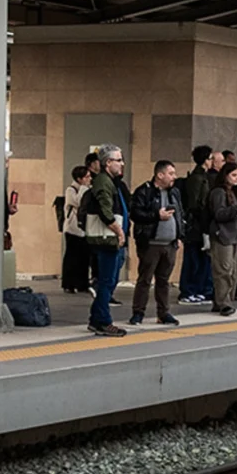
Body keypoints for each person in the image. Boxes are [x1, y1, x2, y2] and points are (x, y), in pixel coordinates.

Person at [78, 144, 129, 336]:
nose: (121, 163)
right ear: (108, 163)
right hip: (106, 239)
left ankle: (96, 319)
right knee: (107, 281)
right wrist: (119, 231)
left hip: (110, 239)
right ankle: (103, 321)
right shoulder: (103, 182)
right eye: (118, 160)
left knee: (110, 280)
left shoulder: (110, 182)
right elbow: (105, 210)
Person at [129, 157, 184, 327]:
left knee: (164, 280)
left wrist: (180, 235)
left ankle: (164, 312)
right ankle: (138, 312)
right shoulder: (144, 192)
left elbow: (181, 214)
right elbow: (136, 214)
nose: (174, 176)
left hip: (170, 243)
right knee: (145, 279)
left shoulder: (174, 192)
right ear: (160, 175)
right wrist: (156, 215)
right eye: (170, 173)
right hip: (151, 242)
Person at [196, 160, 237, 317]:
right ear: (225, 176)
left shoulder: (234, 193)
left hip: (234, 235)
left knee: (234, 271)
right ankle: (223, 302)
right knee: (223, 270)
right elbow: (220, 214)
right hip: (222, 235)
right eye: (234, 175)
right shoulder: (218, 192)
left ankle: (223, 300)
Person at [178, 145, 216, 307]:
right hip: (196, 224)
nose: (212, 161)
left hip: (202, 223)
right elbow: (195, 204)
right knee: (193, 259)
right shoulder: (197, 178)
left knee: (201, 260)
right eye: (210, 158)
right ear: (205, 160)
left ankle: (198, 289)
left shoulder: (203, 177)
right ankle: (188, 290)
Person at [59, 161, 93, 293]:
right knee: (72, 257)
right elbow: (79, 202)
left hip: (84, 229)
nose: (89, 179)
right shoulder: (71, 190)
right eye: (87, 177)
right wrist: (84, 188)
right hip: (72, 228)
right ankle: (68, 283)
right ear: (79, 179)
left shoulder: (88, 189)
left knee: (84, 258)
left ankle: (82, 283)